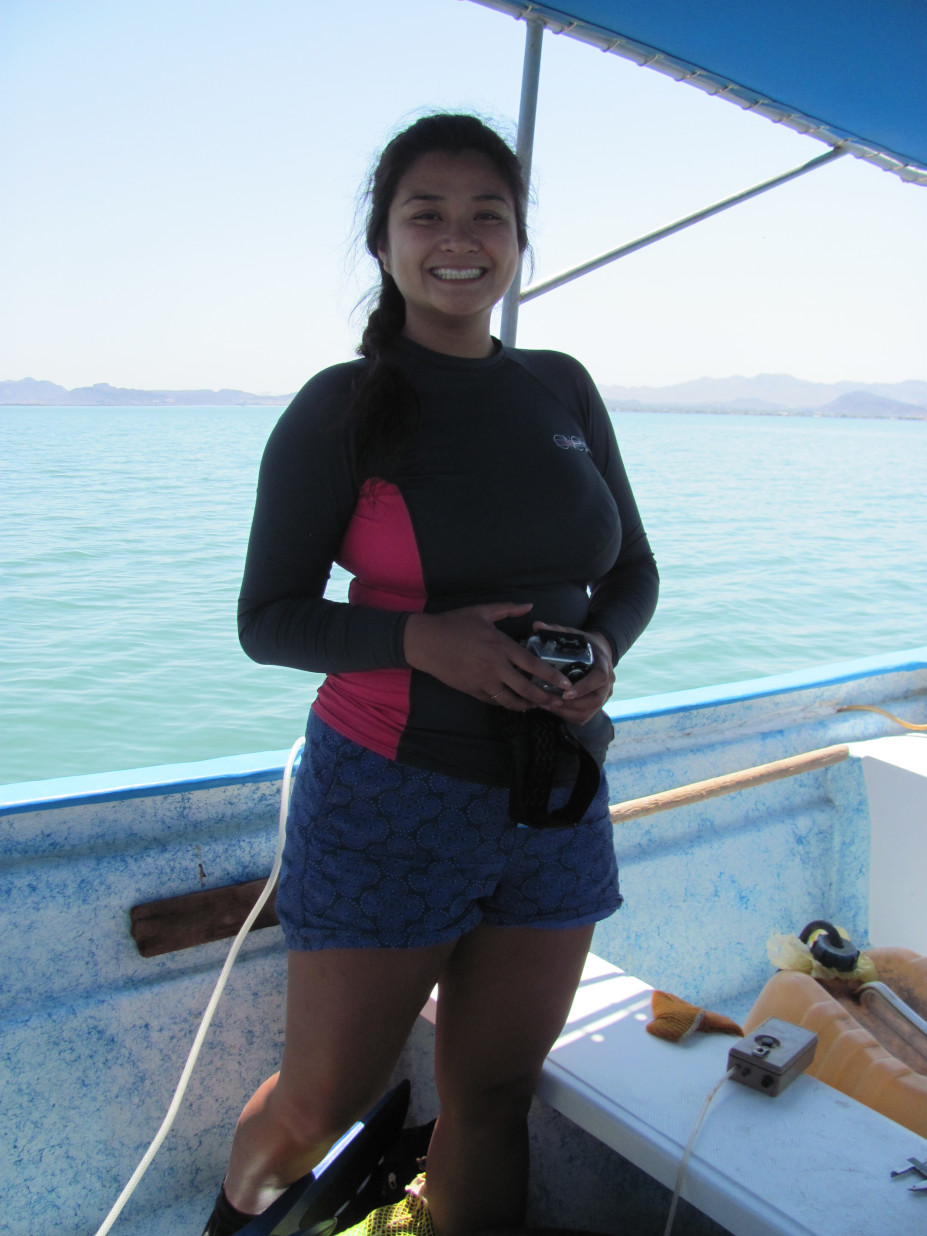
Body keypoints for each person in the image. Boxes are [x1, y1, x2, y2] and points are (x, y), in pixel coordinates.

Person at [204, 112, 658, 1236]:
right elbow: (268, 620)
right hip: (387, 797)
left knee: (496, 1096)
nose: (460, 239)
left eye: (487, 215)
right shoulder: (341, 408)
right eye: (427, 214)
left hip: (556, 796)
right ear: (384, 242)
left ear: (517, 241)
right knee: (319, 1104)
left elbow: (635, 573)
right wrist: (423, 640)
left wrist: (603, 652)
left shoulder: (562, 388)